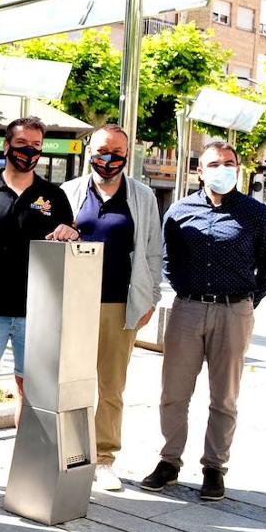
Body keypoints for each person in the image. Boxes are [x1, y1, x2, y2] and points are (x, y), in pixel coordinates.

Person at [141, 140, 266, 501]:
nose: (223, 169)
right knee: (173, 392)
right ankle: (169, 462)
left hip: (234, 312)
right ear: (199, 171)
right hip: (188, 310)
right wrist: (186, 290)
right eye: (214, 164)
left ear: (239, 168)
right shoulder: (179, 211)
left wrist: (247, 304)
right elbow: (167, 259)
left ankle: (214, 468)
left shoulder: (257, 215)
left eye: (229, 163)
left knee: (224, 398)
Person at [0, 117, 77, 496]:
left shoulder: (53, 195)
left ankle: (20, 469)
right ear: (6, 146)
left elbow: (70, 240)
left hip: (36, 313)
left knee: (28, 391)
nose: (30, 152)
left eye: (36, 145)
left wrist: (72, 232)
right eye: (22, 144)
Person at [61, 125, 162, 492]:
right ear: (90, 149)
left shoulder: (143, 197)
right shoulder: (68, 192)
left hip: (120, 303)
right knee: (72, 384)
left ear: (127, 154)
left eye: (116, 153)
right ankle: (72, 453)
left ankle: (104, 458)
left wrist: (150, 296)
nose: (108, 159)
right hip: (74, 302)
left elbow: (153, 251)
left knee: (111, 387)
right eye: (102, 151)